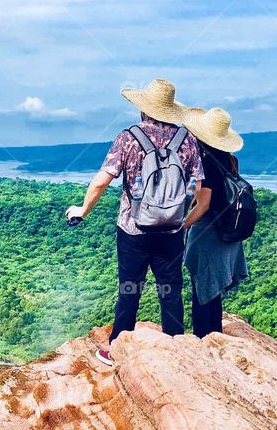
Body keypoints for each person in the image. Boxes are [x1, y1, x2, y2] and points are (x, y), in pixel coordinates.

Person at [67, 79, 206, 367]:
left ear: (143, 109)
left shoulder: (129, 137)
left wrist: (82, 210)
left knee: (130, 287)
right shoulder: (188, 140)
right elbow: (199, 189)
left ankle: (117, 348)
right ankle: (175, 347)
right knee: (170, 287)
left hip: (133, 227)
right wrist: (179, 217)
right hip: (171, 229)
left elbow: (102, 181)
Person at [179, 107, 249, 338]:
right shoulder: (230, 159)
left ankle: (204, 338)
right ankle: (214, 332)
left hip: (209, 233)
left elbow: (204, 204)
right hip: (227, 231)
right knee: (212, 290)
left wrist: (180, 226)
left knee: (202, 287)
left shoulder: (206, 162)